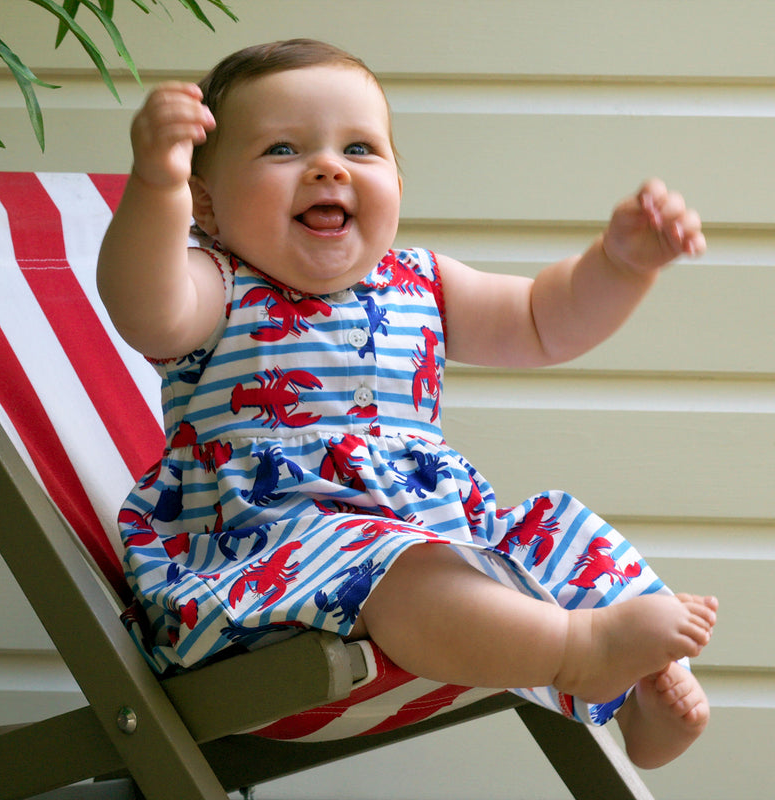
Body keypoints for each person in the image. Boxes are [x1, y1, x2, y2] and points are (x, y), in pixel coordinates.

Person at [97, 38, 718, 769]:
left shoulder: (419, 282)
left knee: (554, 533)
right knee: (399, 568)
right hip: (269, 570)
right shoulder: (215, 287)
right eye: (283, 149)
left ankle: (646, 699)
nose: (328, 167)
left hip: (426, 546)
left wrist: (618, 266)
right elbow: (142, 305)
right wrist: (155, 183)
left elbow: (545, 323)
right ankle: (578, 652)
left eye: (359, 147)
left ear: (396, 178)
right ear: (207, 202)